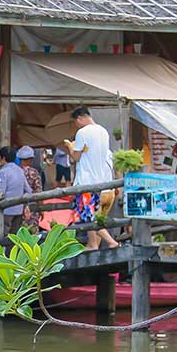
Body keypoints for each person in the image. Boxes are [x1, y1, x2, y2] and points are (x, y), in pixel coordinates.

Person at [65, 106, 119, 250]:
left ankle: (110, 242)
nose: (76, 125)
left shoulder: (82, 132)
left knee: (88, 215)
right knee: (93, 215)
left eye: (76, 122)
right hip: (101, 181)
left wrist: (70, 147)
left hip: (86, 180)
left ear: (80, 119)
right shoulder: (103, 131)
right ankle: (93, 244)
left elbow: (76, 157)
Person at [0, 146, 32, 238]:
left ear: (3, 158)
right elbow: (28, 190)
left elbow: (0, 192)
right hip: (18, 210)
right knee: (14, 238)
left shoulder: (3, 172)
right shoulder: (20, 171)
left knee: (3, 237)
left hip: (6, 210)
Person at [17, 146, 44, 233]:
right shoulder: (34, 173)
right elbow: (38, 192)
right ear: (30, 159)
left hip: (17, 207)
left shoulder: (15, 171)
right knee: (32, 234)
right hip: (32, 207)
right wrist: (41, 209)